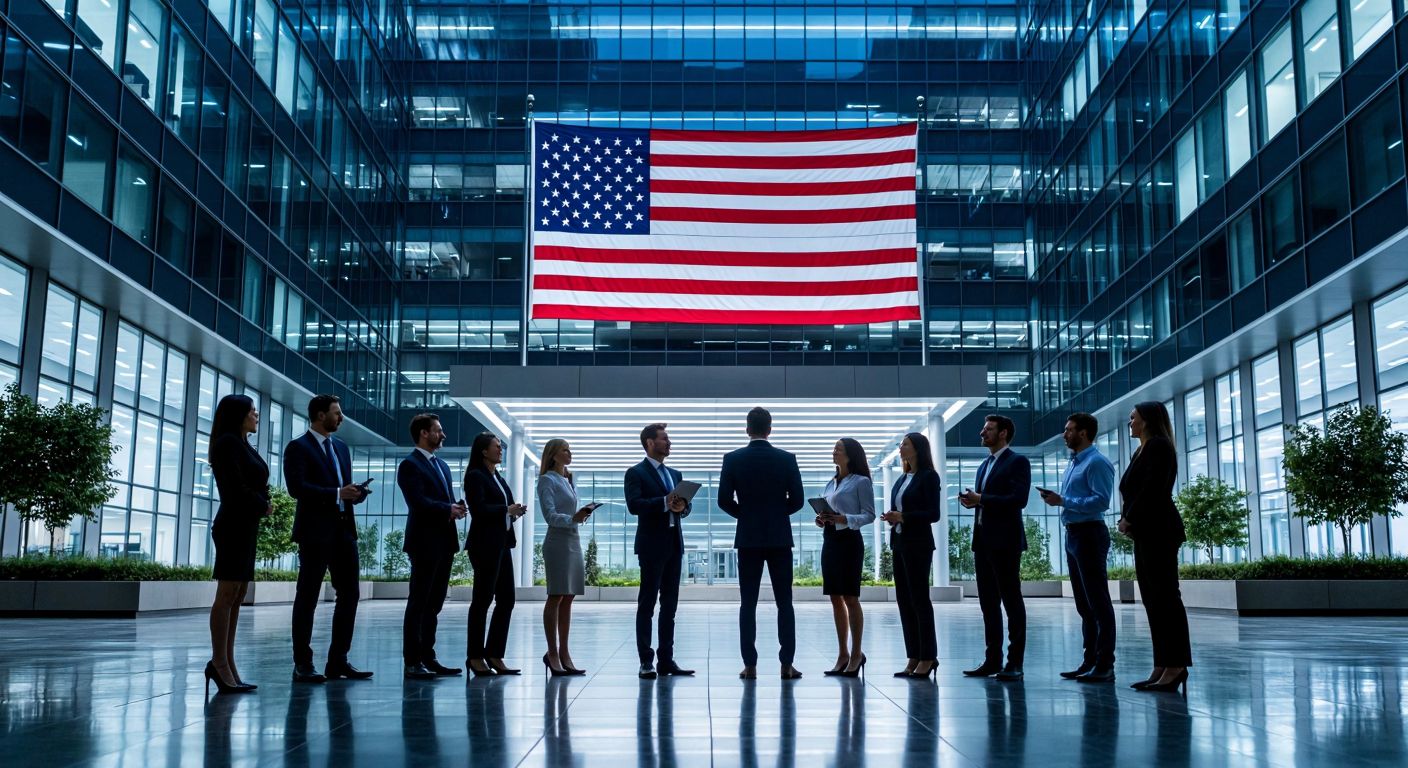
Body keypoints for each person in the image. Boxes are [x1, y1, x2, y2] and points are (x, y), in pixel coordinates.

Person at [284, 394, 373, 683]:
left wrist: (354, 494)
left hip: (344, 531)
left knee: (350, 595)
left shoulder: (342, 449)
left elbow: (341, 490)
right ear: (320, 416)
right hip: (314, 533)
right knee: (307, 597)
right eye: (336, 413)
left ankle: (338, 660)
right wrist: (336, 493)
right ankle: (303, 663)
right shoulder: (298, 447)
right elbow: (297, 488)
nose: (341, 417)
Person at [718, 407, 806, 680]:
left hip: (748, 538)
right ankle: (786, 665)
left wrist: (746, 516)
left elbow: (723, 500)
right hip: (780, 537)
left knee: (748, 603)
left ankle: (751, 665)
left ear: (747, 429)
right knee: (785, 603)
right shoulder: (786, 459)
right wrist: (777, 514)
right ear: (770, 429)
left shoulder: (732, 459)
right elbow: (798, 500)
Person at [1038, 412, 1117, 683]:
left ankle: (1105, 663)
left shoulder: (1097, 463)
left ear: (1084, 433)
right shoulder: (1073, 463)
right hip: (1073, 535)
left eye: (1069, 429)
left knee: (1098, 602)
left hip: (1090, 534)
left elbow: (1101, 501)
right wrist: (1063, 502)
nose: (1064, 434)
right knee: (1084, 604)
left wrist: (1063, 501)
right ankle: (1090, 660)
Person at [1120, 401, 1192, 694]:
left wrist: (1129, 519)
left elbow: (1153, 490)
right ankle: (1163, 664)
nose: (1130, 422)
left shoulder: (1159, 447)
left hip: (1159, 531)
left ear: (1147, 420)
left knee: (1165, 599)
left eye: (1133, 417)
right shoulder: (1142, 449)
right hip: (1146, 532)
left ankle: (1176, 666)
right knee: (1153, 600)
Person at [959, 414, 1031, 682]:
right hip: (984, 542)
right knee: (988, 603)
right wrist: (974, 502)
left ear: (1003, 433)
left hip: (1005, 542)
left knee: (1011, 601)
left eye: (988, 429)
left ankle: (1015, 662)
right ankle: (992, 659)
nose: (982, 433)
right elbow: (988, 502)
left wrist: (983, 499)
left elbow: (1018, 499)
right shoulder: (983, 466)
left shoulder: (1017, 461)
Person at [205, 394, 268, 694]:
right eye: (252, 411)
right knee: (227, 593)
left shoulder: (242, 444)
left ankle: (227, 662)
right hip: (233, 526)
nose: (256, 415)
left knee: (239, 592)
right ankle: (219, 663)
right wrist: (262, 504)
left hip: (246, 525)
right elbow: (234, 488)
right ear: (239, 415)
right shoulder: (227, 444)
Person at [396, 413, 466, 680]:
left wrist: (455, 508)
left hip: (444, 542)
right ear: (424, 433)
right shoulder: (410, 465)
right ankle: (412, 661)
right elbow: (417, 502)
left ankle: (428, 656)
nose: (443, 435)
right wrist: (447, 509)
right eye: (438, 430)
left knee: (434, 603)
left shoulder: (442, 466)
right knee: (419, 602)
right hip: (424, 543)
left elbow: (439, 501)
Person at [625, 423, 695, 680]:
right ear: (649, 443)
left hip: (674, 544)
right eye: (665, 439)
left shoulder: (675, 474)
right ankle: (646, 661)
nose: (669, 443)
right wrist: (664, 503)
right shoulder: (635, 473)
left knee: (670, 606)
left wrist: (681, 508)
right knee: (647, 604)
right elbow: (634, 505)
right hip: (651, 546)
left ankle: (666, 659)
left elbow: (686, 507)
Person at [464, 431, 525, 676]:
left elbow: (501, 509)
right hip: (484, 545)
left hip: (501, 544)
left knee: (507, 599)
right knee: (482, 601)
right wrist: (505, 510)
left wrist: (513, 512)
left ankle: (494, 654)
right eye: (496, 446)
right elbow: (478, 509)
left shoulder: (497, 477)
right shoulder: (475, 476)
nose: (500, 450)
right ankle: (475, 656)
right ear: (483, 451)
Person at [881, 432, 942, 679]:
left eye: (904, 444)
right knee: (904, 601)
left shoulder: (929, 477)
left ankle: (928, 657)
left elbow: (933, 514)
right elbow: (899, 508)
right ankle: (913, 656)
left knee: (919, 600)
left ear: (917, 449)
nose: (900, 447)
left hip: (918, 544)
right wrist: (893, 517)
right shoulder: (902, 478)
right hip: (900, 543)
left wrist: (904, 517)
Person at [817, 438, 876, 678]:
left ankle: (856, 653)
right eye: (833, 448)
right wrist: (823, 519)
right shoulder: (831, 483)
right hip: (830, 540)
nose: (834, 452)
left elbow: (869, 514)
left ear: (850, 455)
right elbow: (829, 511)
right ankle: (842, 653)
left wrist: (844, 519)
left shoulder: (861, 482)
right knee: (834, 598)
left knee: (850, 597)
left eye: (838, 449)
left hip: (850, 540)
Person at [537, 438, 593, 676]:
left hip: (573, 539)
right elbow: (550, 515)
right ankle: (552, 652)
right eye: (565, 450)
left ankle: (564, 651)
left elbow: (569, 512)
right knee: (556, 595)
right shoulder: (546, 480)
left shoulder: (568, 480)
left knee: (568, 596)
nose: (570, 453)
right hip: (558, 541)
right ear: (553, 454)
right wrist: (572, 519)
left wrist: (580, 516)